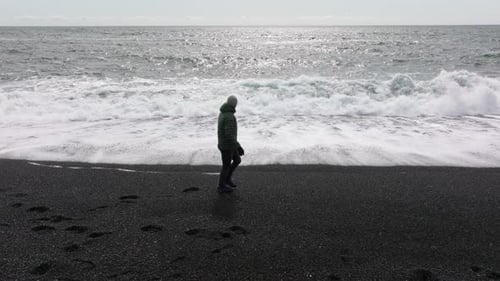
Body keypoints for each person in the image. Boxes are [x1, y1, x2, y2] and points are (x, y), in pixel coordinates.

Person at [217, 95, 244, 193]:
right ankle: (221, 185)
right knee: (226, 165)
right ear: (234, 104)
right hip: (227, 145)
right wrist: (238, 146)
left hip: (227, 143)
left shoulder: (223, 112)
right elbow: (229, 135)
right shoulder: (229, 116)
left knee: (237, 160)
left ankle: (227, 179)